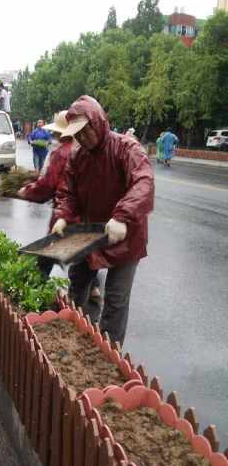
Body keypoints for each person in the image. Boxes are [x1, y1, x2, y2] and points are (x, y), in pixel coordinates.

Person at [52, 95, 154, 344]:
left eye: (86, 130)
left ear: (98, 122)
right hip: (94, 232)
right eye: (78, 133)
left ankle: (109, 352)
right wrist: (63, 215)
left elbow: (144, 182)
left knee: (116, 302)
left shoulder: (126, 148)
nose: (83, 137)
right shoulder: (78, 156)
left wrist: (122, 216)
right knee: (77, 282)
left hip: (125, 234)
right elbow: (68, 191)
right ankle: (75, 333)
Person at [17, 111, 102, 302]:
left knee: (46, 255)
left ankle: (34, 294)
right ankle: (94, 289)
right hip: (89, 216)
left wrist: (26, 191)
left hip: (65, 215)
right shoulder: (89, 151)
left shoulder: (61, 154)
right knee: (85, 255)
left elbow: (47, 186)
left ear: (61, 133)